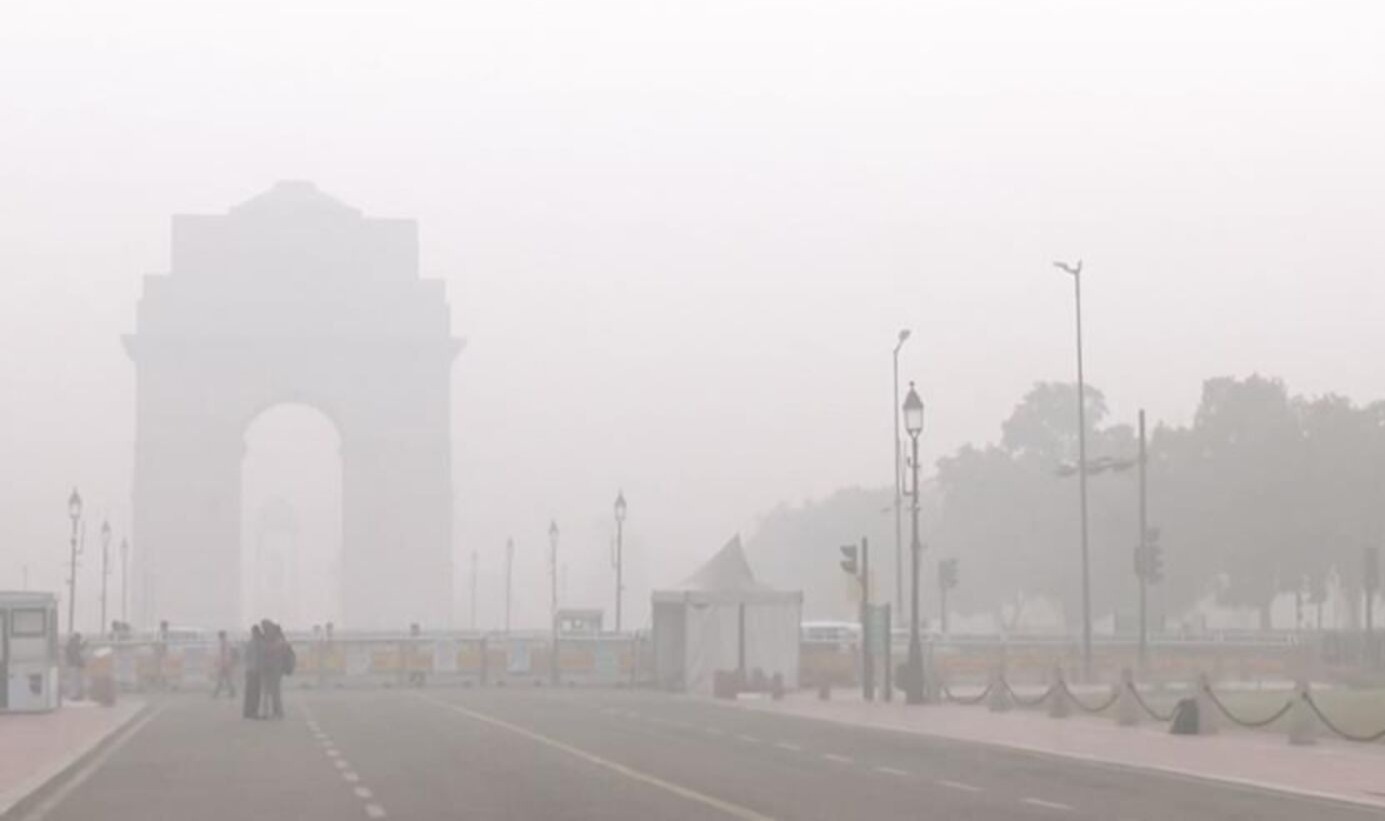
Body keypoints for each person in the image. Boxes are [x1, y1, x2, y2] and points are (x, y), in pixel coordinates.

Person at [261, 620, 289, 720]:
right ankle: (271, 712)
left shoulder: (277, 637)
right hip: (269, 667)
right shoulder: (268, 637)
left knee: (273, 691)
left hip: (274, 668)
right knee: (269, 691)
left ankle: (276, 712)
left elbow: (279, 648)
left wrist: (270, 650)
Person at [242, 624, 264, 719]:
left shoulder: (250, 643)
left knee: (249, 692)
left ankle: (247, 712)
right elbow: (257, 658)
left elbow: (246, 656)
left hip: (249, 670)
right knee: (255, 693)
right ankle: (254, 712)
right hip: (255, 671)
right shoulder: (257, 643)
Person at [212, 630, 238, 699]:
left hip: (224, 665)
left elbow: (223, 655)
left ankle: (216, 693)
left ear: (221, 636)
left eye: (220, 636)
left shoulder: (224, 643)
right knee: (227, 679)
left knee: (222, 680)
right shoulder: (227, 643)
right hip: (226, 664)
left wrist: (220, 663)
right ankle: (232, 692)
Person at [64, 632, 87, 700]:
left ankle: (75, 696)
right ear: (76, 638)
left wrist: (85, 643)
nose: (79, 640)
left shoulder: (72, 643)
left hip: (73, 665)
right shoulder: (73, 644)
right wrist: (81, 663)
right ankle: (74, 696)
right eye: (79, 638)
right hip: (73, 665)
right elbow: (75, 655)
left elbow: (80, 648)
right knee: (74, 682)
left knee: (75, 682)